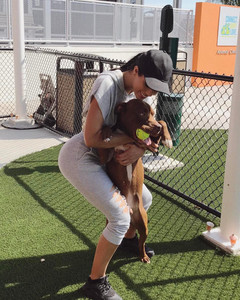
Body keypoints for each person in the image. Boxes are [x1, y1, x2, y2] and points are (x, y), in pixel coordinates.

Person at [58, 49, 173, 300]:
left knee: (145, 200)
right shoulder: (108, 83)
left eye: (156, 90)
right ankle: (95, 282)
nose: (150, 93)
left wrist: (140, 146)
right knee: (121, 216)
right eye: (148, 84)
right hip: (81, 157)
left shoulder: (132, 95)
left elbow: (136, 136)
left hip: (107, 158)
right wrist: (137, 143)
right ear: (135, 71)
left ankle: (129, 239)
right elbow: (92, 138)